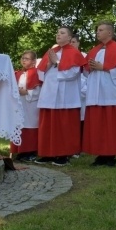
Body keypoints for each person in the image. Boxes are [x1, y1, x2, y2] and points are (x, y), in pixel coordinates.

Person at [83, 21, 116, 167]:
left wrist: (103, 67)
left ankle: (111, 155)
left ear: (109, 32)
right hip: (96, 93)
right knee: (98, 125)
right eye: (97, 30)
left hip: (111, 93)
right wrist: (91, 69)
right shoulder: (94, 51)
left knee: (111, 126)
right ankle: (100, 154)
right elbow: (86, 70)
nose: (97, 32)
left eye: (101, 30)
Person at [36, 27, 87, 166]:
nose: (58, 34)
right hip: (49, 93)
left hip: (65, 96)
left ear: (70, 38)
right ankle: (47, 153)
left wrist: (57, 63)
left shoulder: (75, 53)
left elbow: (72, 74)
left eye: (62, 33)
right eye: (57, 32)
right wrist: (49, 63)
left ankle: (63, 155)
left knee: (64, 126)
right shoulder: (52, 52)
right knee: (48, 125)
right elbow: (41, 73)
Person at [10, 50, 41, 161]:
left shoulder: (36, 73)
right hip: (20, 104)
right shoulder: (18, 73)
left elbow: (39, 91)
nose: (23, 60)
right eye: (23, 58)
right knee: (20, 126)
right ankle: (20, 151)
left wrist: (27, 92)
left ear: (33, 61)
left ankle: (31, 151)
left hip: (31, 104)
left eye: (27, 58)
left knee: (30, 126)